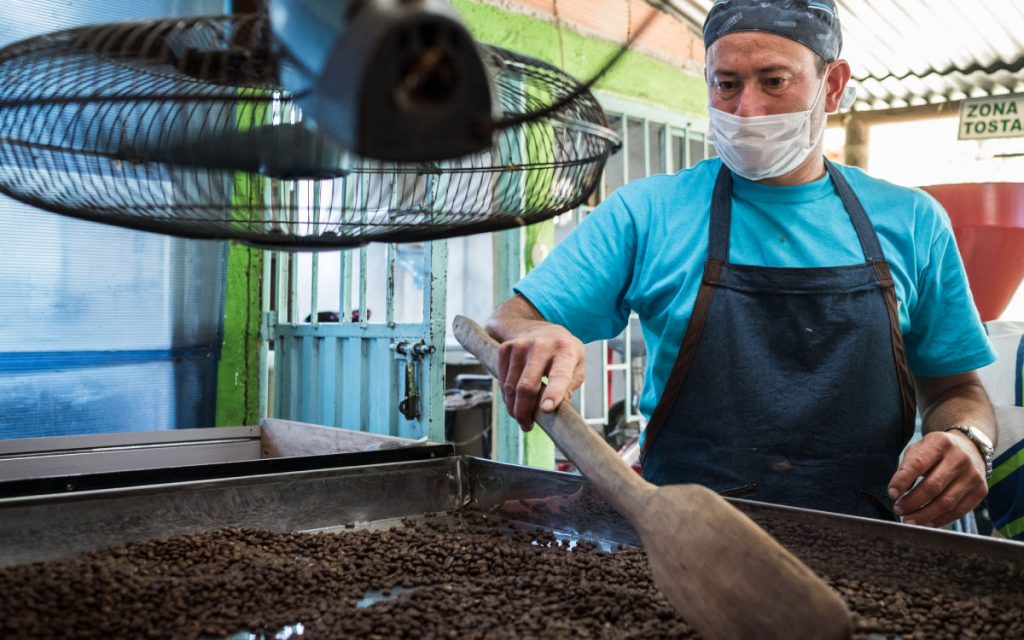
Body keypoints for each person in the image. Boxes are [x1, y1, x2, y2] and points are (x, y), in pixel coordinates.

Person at [485, 0, 998, 526]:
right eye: (725, 84)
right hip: (684, 543)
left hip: (870, 545)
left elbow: (958, 391)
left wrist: (966, 437)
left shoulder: (913, 221)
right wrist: (539, 334)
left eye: (774, 81)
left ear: (834, 85)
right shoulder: (648, 212)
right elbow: (509, 319)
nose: (745, 109)